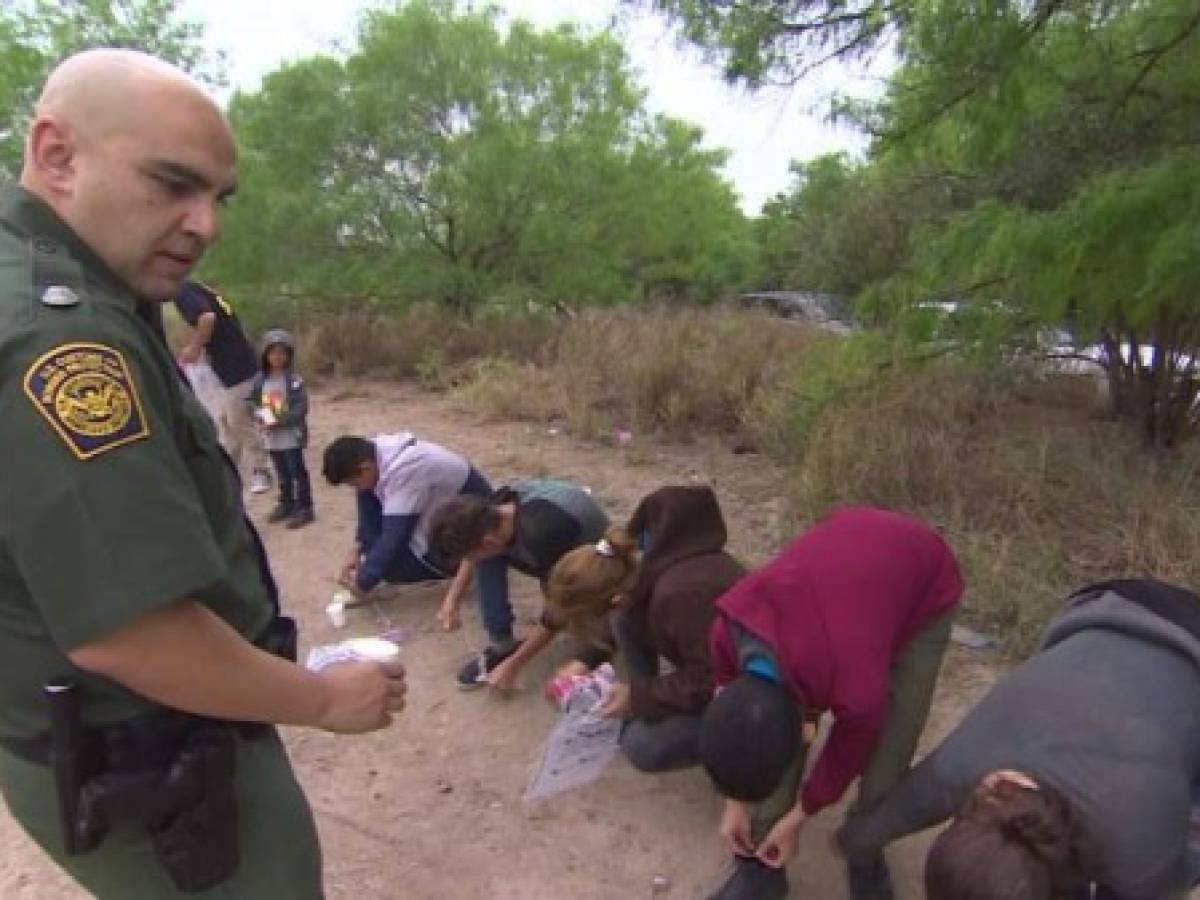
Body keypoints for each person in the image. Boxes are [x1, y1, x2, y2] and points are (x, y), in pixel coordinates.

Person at [0, 49, 406, 899]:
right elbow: (130, 629)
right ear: (57, 155)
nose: (205, 224)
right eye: (173, 183)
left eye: (217, 197)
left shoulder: (69, 281)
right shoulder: (63, 338)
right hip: (155, 758)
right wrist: (323, 700)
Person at [838, 578, 1200, 900]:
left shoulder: (1138, 847)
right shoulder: (962, 769)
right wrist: (854, 844)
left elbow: (1176, 875)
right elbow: (903, 809)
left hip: (1151, 633)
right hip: (1109, 610)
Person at [701, 505, 963, 900]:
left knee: (890, 752)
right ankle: (762, 851)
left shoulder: (856, 686)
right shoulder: (727, 628)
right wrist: (734, 801)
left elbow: (848, 751)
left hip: (922, 579)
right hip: (846, 575)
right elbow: (736, 722)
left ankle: (864, 844)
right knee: (761, 739)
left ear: (809, 729)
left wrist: (801, 814)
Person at [543, 485, 746, 772]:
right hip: (708, 650)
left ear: (616, 598)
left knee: (643, 746)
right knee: (622, 620)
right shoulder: (637, 557)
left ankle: (755, 749)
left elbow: (711, 680)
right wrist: (585, 660)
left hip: (750, 685)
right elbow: (625, 611)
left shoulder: (683, 597)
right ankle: (646, 707)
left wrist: (637, 696)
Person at [323, 433, 517, 684]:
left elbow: (395, 537)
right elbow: (367, 504)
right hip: (454, 519)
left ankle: (501, 641)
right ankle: (461, 570)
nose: (355, 489)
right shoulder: (374, 452)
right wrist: (357, 549)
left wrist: (364, 582)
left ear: (365, 467)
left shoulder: (406, 470)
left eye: (352, 483)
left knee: (391, 566)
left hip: (477, 529)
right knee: (375, 543)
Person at [430, 478, 609, 688]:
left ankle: (601, 641)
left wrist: (513, 665)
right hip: (548, 532)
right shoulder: (493, 511)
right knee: (486, 558)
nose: (467, 562)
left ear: (489, 542)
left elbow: (556, 610)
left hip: (598, 564)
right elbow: (474, 554)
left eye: (469, 556)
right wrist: (452, 599)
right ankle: (502, 644)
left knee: (577, 613)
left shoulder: (542, 536)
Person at [174, 278, 273, 494]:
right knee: (226, 421)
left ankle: (261, 468)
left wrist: (195, 348)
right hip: (233, 363)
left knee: (238, 420)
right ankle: (229, 470)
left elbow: (207, 318)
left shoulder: (182, 290)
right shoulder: (198, 288)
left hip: (236, 367)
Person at [248, 329, 314, 529]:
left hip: (290, 435)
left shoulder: (293, 380)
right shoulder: (260, 380)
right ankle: (286, 502)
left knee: (296, 470)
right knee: (281, 471)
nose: (277, 357)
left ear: (289, 356)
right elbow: (252, 402)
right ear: (265, 355)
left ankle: (304, 507)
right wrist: (259, 416)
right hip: (271, 436)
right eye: (273, 352)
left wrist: (280, 420)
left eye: (282, 353)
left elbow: (301, 407)